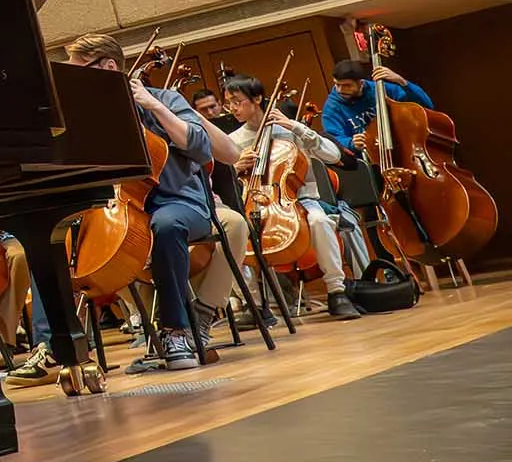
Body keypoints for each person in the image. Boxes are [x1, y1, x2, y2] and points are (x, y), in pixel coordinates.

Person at [65, 34, 231, 371]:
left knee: (166, 225)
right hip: (123, 209)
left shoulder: (165, 99)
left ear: (108, 67)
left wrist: (153, 106)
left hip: (182, 203)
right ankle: (57, 345)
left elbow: (200, 148)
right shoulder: (90, 116)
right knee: (59, 239)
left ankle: (176, 330)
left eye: (79, 73)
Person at [222, 76, 363, 320]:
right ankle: (254, 304)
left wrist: (297, 127)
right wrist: (235, 168)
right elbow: (223, 184)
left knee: (320, 220)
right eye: (228, 103)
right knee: (231, 234)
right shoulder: (233, 140)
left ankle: (336, 291)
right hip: (255, 203)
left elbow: (332, 155)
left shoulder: (289, 130)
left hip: (300, 201)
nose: (233, 109)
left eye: (237, 102)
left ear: (257, 99)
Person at [321, 59, 432, 151]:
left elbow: (425, 106)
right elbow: (334, 138)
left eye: (346, 85)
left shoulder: (380, 89)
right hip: (369, 160)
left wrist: (402, 82)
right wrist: (350, 143)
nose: (340, 90)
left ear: (361, 83)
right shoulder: (332, 107)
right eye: (337, 84)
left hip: (401, 147)